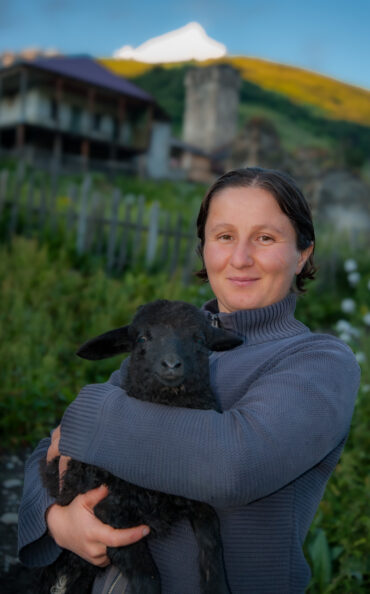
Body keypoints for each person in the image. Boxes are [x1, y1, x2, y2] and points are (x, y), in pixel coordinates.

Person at [18, 167, 360, 593]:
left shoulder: (318, 362)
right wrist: (56, 520)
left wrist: (87, 411)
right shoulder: (165, 341)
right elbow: (49, 450)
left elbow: (233, 465)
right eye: (224, 237)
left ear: (303, 253)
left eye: (265, 238)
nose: (240, 258)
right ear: (203, 250)